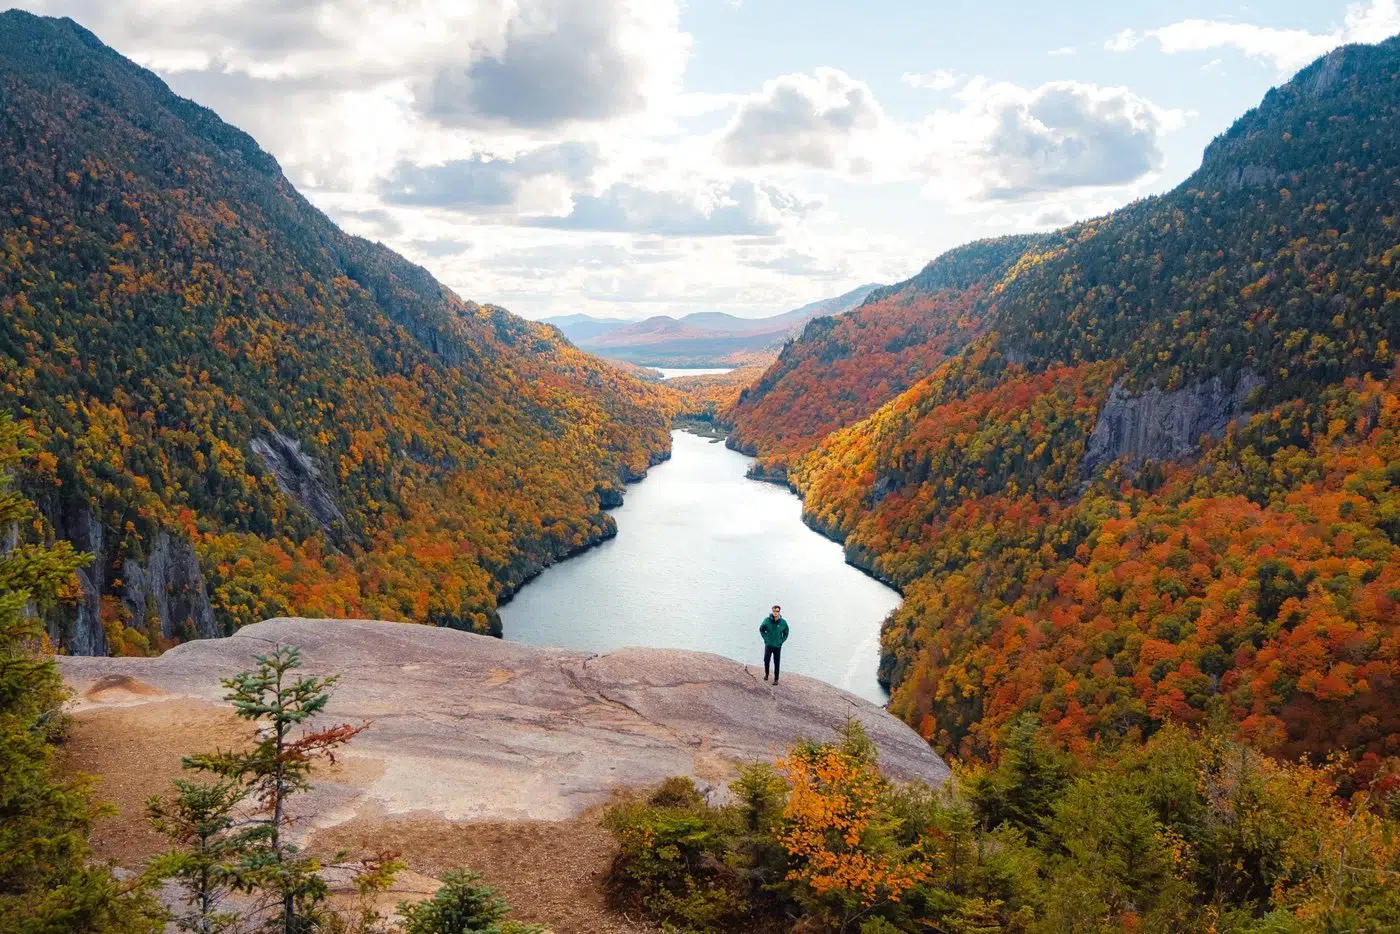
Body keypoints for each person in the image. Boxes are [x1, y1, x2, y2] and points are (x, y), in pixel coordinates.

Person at [759, 604, 789, 684]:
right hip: (768, 645)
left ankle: (776, 679)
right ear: (772, 611)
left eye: (777, 611)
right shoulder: (767, 620)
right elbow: (761, 629)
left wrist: (781, 641)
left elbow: (786, 633)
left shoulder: (783, 622)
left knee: (776, 662)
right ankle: (766, 674)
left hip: (777, 646)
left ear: (779, 612)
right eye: (774, 611)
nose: (775, 613)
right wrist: (766, 639)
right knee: (766, 660)